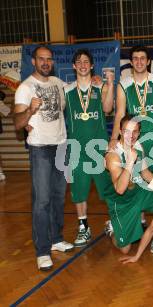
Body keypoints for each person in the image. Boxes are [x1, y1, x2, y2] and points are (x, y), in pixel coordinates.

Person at [14, 45, 74, 271]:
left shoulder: (59, 84)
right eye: (41, 59)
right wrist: (29, 111)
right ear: (33, 61)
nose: (46, 63)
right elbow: (18, 124)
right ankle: (42, 251)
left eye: (49, 59)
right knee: (42, 201)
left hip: (60, 146)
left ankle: (56, 239)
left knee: (58, 198)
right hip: (40, 149)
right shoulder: (25, 88)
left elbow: (68, 105)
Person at [104, 114, 153, 257]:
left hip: (140, 193)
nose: (131, 136)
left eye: (135, 131)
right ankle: (112, 229)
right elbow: (120, 189)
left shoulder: (138, 146)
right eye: (126, 131)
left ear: (139, 132)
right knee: (125, 249)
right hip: (122, 202)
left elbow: (145, 174)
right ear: (120, 131)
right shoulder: (113, 156)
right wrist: (130, 162)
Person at [64, 49, 114, 247]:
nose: (83, 65)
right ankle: (83, 227)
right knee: (79, 191)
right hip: (76, 148)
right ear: (74, 66)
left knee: (108, 189)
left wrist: (109, 85)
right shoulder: (66, 90)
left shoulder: (100, 88)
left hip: (98, 147)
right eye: (79, 62)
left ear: (92, 66)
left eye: (87, 61)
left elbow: (108, 108)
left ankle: (114, 221)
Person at [109, 45, 153, 173]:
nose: (139, 62)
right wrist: (113, 138)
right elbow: (120, 114)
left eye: (142, 58)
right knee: (140, 180)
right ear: (131, 62)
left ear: (148, 61)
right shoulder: (123, 84)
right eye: (135, 59)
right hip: (135, 139)